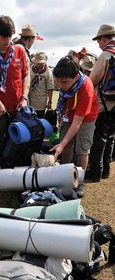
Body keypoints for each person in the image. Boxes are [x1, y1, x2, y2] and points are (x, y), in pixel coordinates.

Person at [51, 56, 99, 197]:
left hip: (87, 117)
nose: (60, 85)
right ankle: (65, 174)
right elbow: (64, 101)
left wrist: (61, 144)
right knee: (65, 144)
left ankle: (79, 180)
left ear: (76, 76)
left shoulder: (86, 88)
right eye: (57, 80)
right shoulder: (65, 82)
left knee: (82, 148)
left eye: (64, 82)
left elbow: (78, 123)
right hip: (69, 114)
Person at [85, 24, 115, 182]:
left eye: (99, 40)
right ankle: (106, 170)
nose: (98, 43)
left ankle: (96, 171)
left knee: (99, 138)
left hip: (103, 104)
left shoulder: (105, 56)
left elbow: (92, 81)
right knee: (111, 137)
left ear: (104, 39)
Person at [29, 51, 54, 117]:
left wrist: (50, 101)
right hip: (30, 100)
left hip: (41, 101)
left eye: (41, 63)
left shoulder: (48, 71)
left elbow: (50, 87)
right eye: (37, 63)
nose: (39, 64)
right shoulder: (30, 69)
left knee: (39, 120)